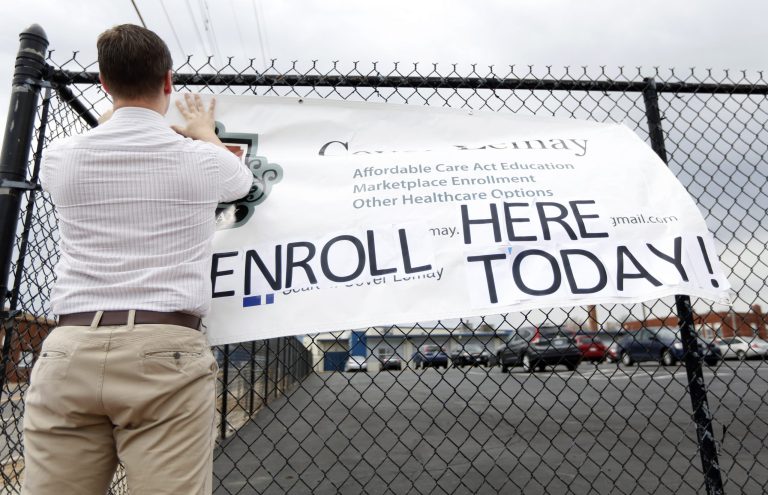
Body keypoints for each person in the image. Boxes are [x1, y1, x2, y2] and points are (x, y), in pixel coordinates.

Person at [22, 24, 253, 495]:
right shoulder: (200, 159)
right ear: (168, 81)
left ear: (104, 85)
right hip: (164, 344)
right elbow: (241, 183)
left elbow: (108, 128)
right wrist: (203, 131)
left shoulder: (61, 158)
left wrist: (122, 109)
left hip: (71, 345)